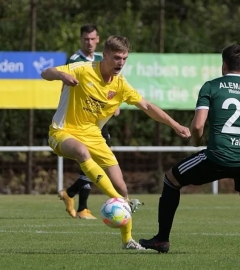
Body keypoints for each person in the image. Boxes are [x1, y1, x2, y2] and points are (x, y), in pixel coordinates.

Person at [41, 35, 190, 250]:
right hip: (62, 132)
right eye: (117, 58)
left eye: (125, 58)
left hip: (94, 135)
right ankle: (120, 202)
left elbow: (147, 106)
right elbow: (45, 72)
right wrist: (62, 75)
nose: (120, 63)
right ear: (106, 55)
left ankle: (127, 240)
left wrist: (176, 125)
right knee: (82, 153)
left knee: (121, 186)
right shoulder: (83, 69)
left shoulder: (120, 85)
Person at [139, 44, 240, 255]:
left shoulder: (212, 87)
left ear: (224, 65)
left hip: (218, 156)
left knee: (171, 180)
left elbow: (198, 125)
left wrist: (196, 141)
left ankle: (162, 240)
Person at [58, 23, 120, 220]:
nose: (90, 42)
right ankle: (83, 207)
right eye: (86, 39)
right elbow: (66, 86)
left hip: (98, 118)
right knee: (88, 161)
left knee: (97, 163)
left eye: (93, 39)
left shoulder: (102, 60)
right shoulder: (76, 60)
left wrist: (114, 103)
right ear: (81, 40)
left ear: (98, 39)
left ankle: (70, 193)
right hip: (81, 119)